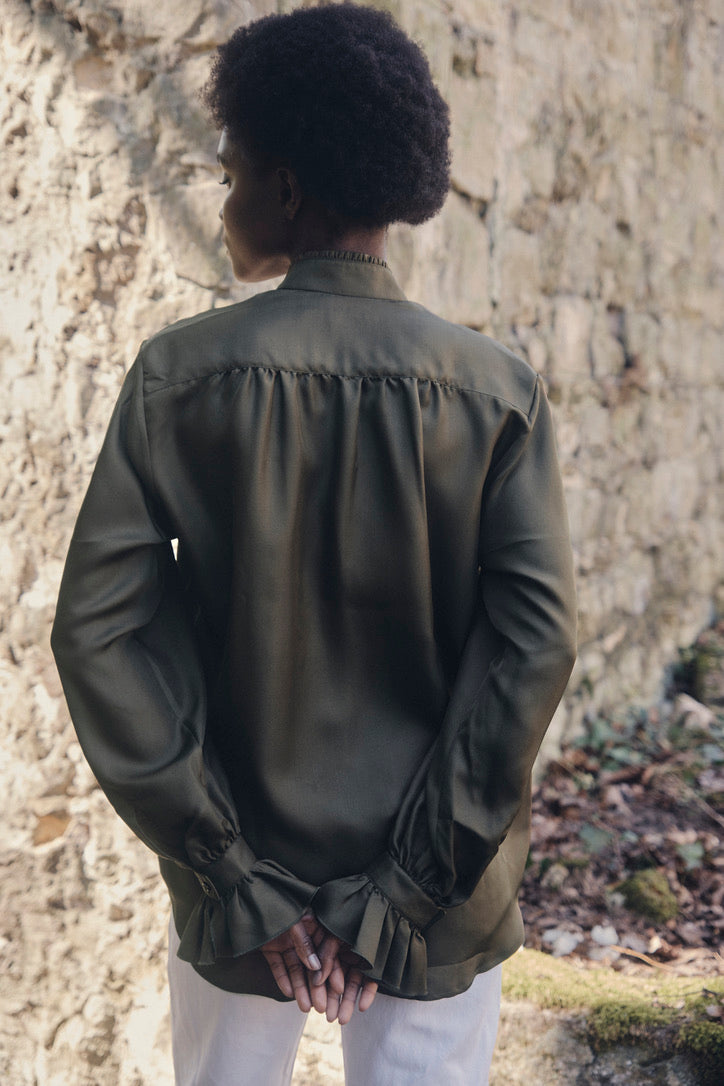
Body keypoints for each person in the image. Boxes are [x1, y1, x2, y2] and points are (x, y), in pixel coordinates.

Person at [51, 4, 577, 1084]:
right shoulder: (496, 394)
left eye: (234, 172)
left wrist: (234, 875)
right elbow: (532, 651)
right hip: (439, 908)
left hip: (247, 905)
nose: (224, 199)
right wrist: (402, 893)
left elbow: (100, 636)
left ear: (287, 189)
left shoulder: (177, 379)